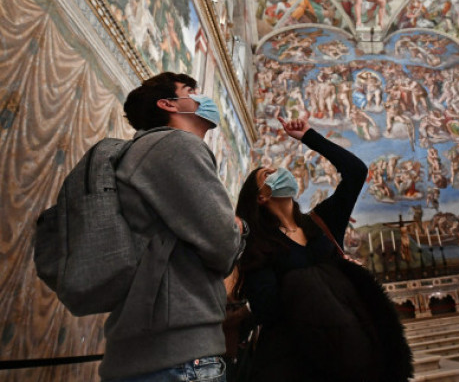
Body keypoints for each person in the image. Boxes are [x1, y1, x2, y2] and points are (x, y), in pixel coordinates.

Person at [232, 112, 413, 382]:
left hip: (353, 352)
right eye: (269, 174)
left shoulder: (322, 222)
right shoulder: (258, 245)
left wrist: (309, 137)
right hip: (298, 363)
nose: (280, 172)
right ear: (261, 197)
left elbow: (356, 172)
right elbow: (268, 309)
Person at [101, 72, 246, 381]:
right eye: (191, 91)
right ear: (169, 104)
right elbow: (222, 246)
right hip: (177, 356)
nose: (203, 98)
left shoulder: (150, 150)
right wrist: (240, 229)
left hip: (156, 349)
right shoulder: (176, 146)